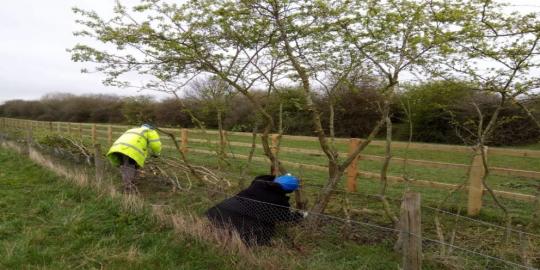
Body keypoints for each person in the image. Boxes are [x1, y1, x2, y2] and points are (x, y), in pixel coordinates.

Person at [205, 174, 307, 246]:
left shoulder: (258, 185)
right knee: (265, 231)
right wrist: (301, 215)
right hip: (237, 220)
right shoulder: (278, 200)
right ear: (289, 190)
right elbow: (283, 216)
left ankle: (216, 232)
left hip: (217, 212)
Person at [106, 123, 162, 192]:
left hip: (117, 148)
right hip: (130, 150)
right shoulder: (150, 131)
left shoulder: (133, 129)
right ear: (152, 128)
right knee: (129, 167)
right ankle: (129, 188)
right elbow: (156, 145)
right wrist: (156, 154)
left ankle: (131, 184)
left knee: (126, 166)